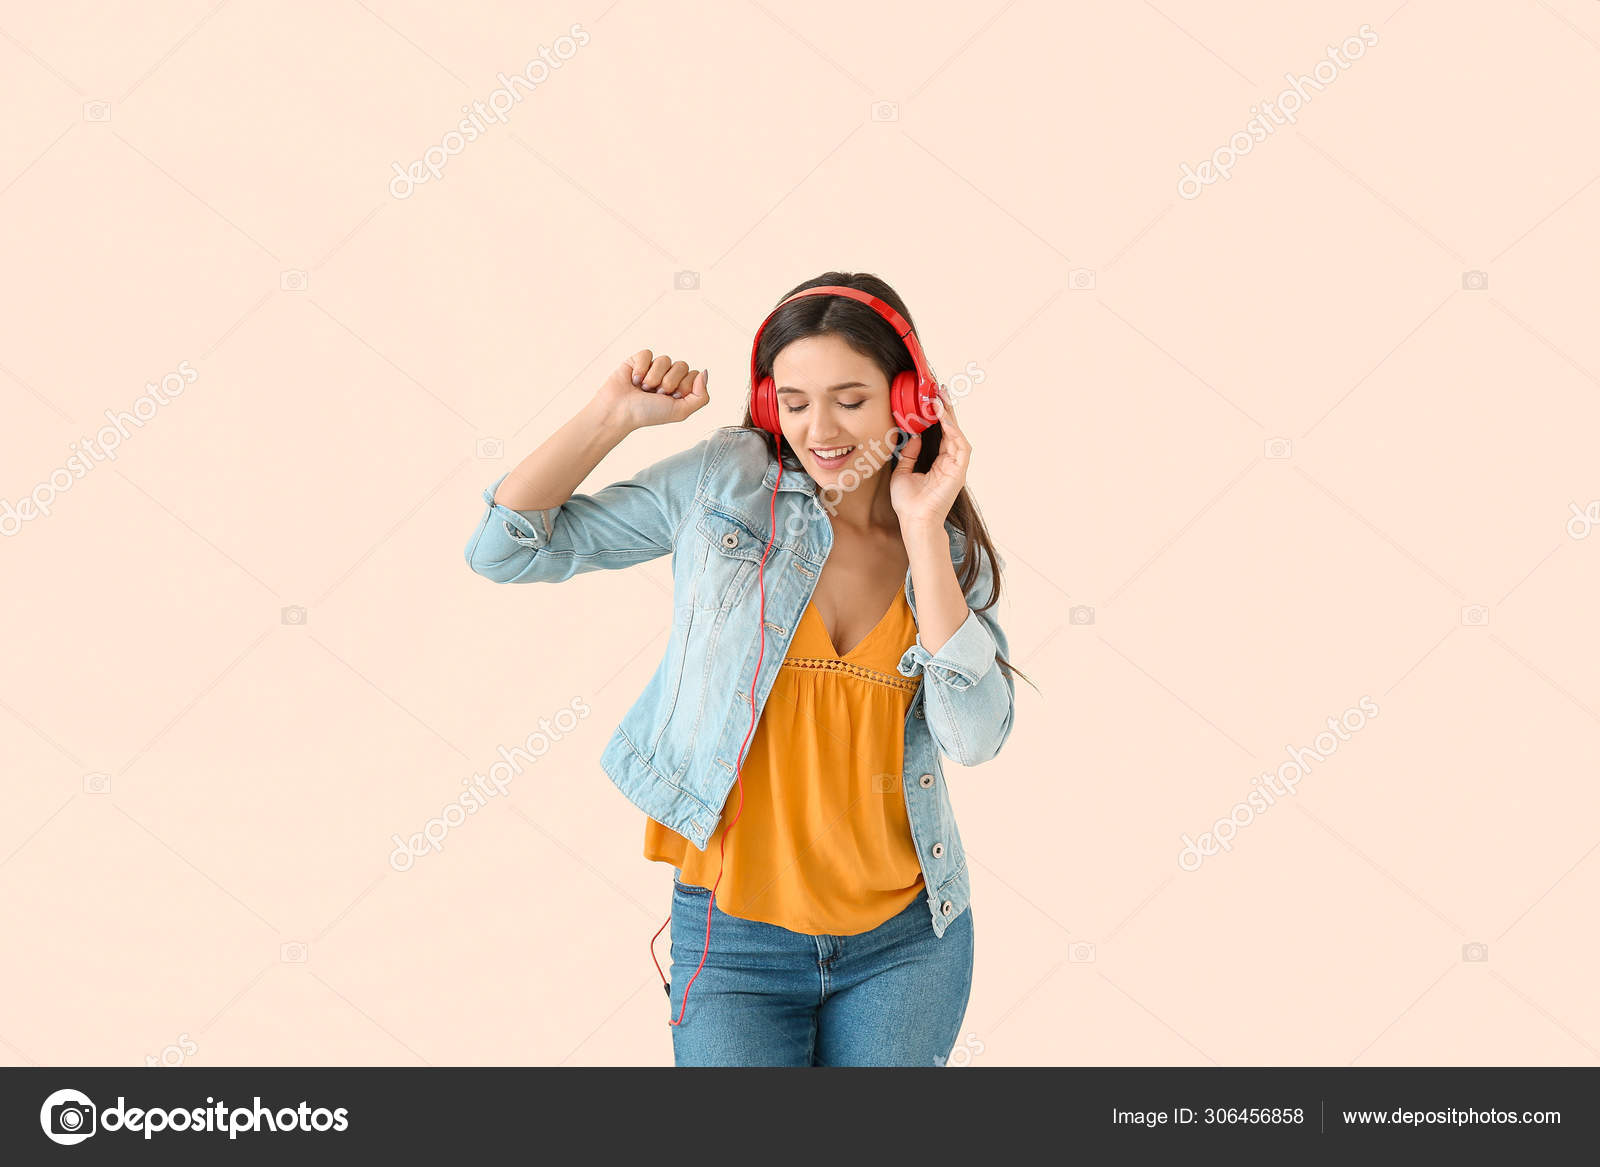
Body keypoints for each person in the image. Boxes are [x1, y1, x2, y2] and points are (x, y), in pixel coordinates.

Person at [464, 271, 1026, 1065]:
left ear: (907, 399)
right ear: (768, 405)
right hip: (734, 944)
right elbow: (504, 549)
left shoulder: (949, 552)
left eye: (850, 400)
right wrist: (611, 416)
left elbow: (973, 739)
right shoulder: (724, 484)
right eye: (793, 402)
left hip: (907, 943)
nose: (820, 429)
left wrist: (924, 530)